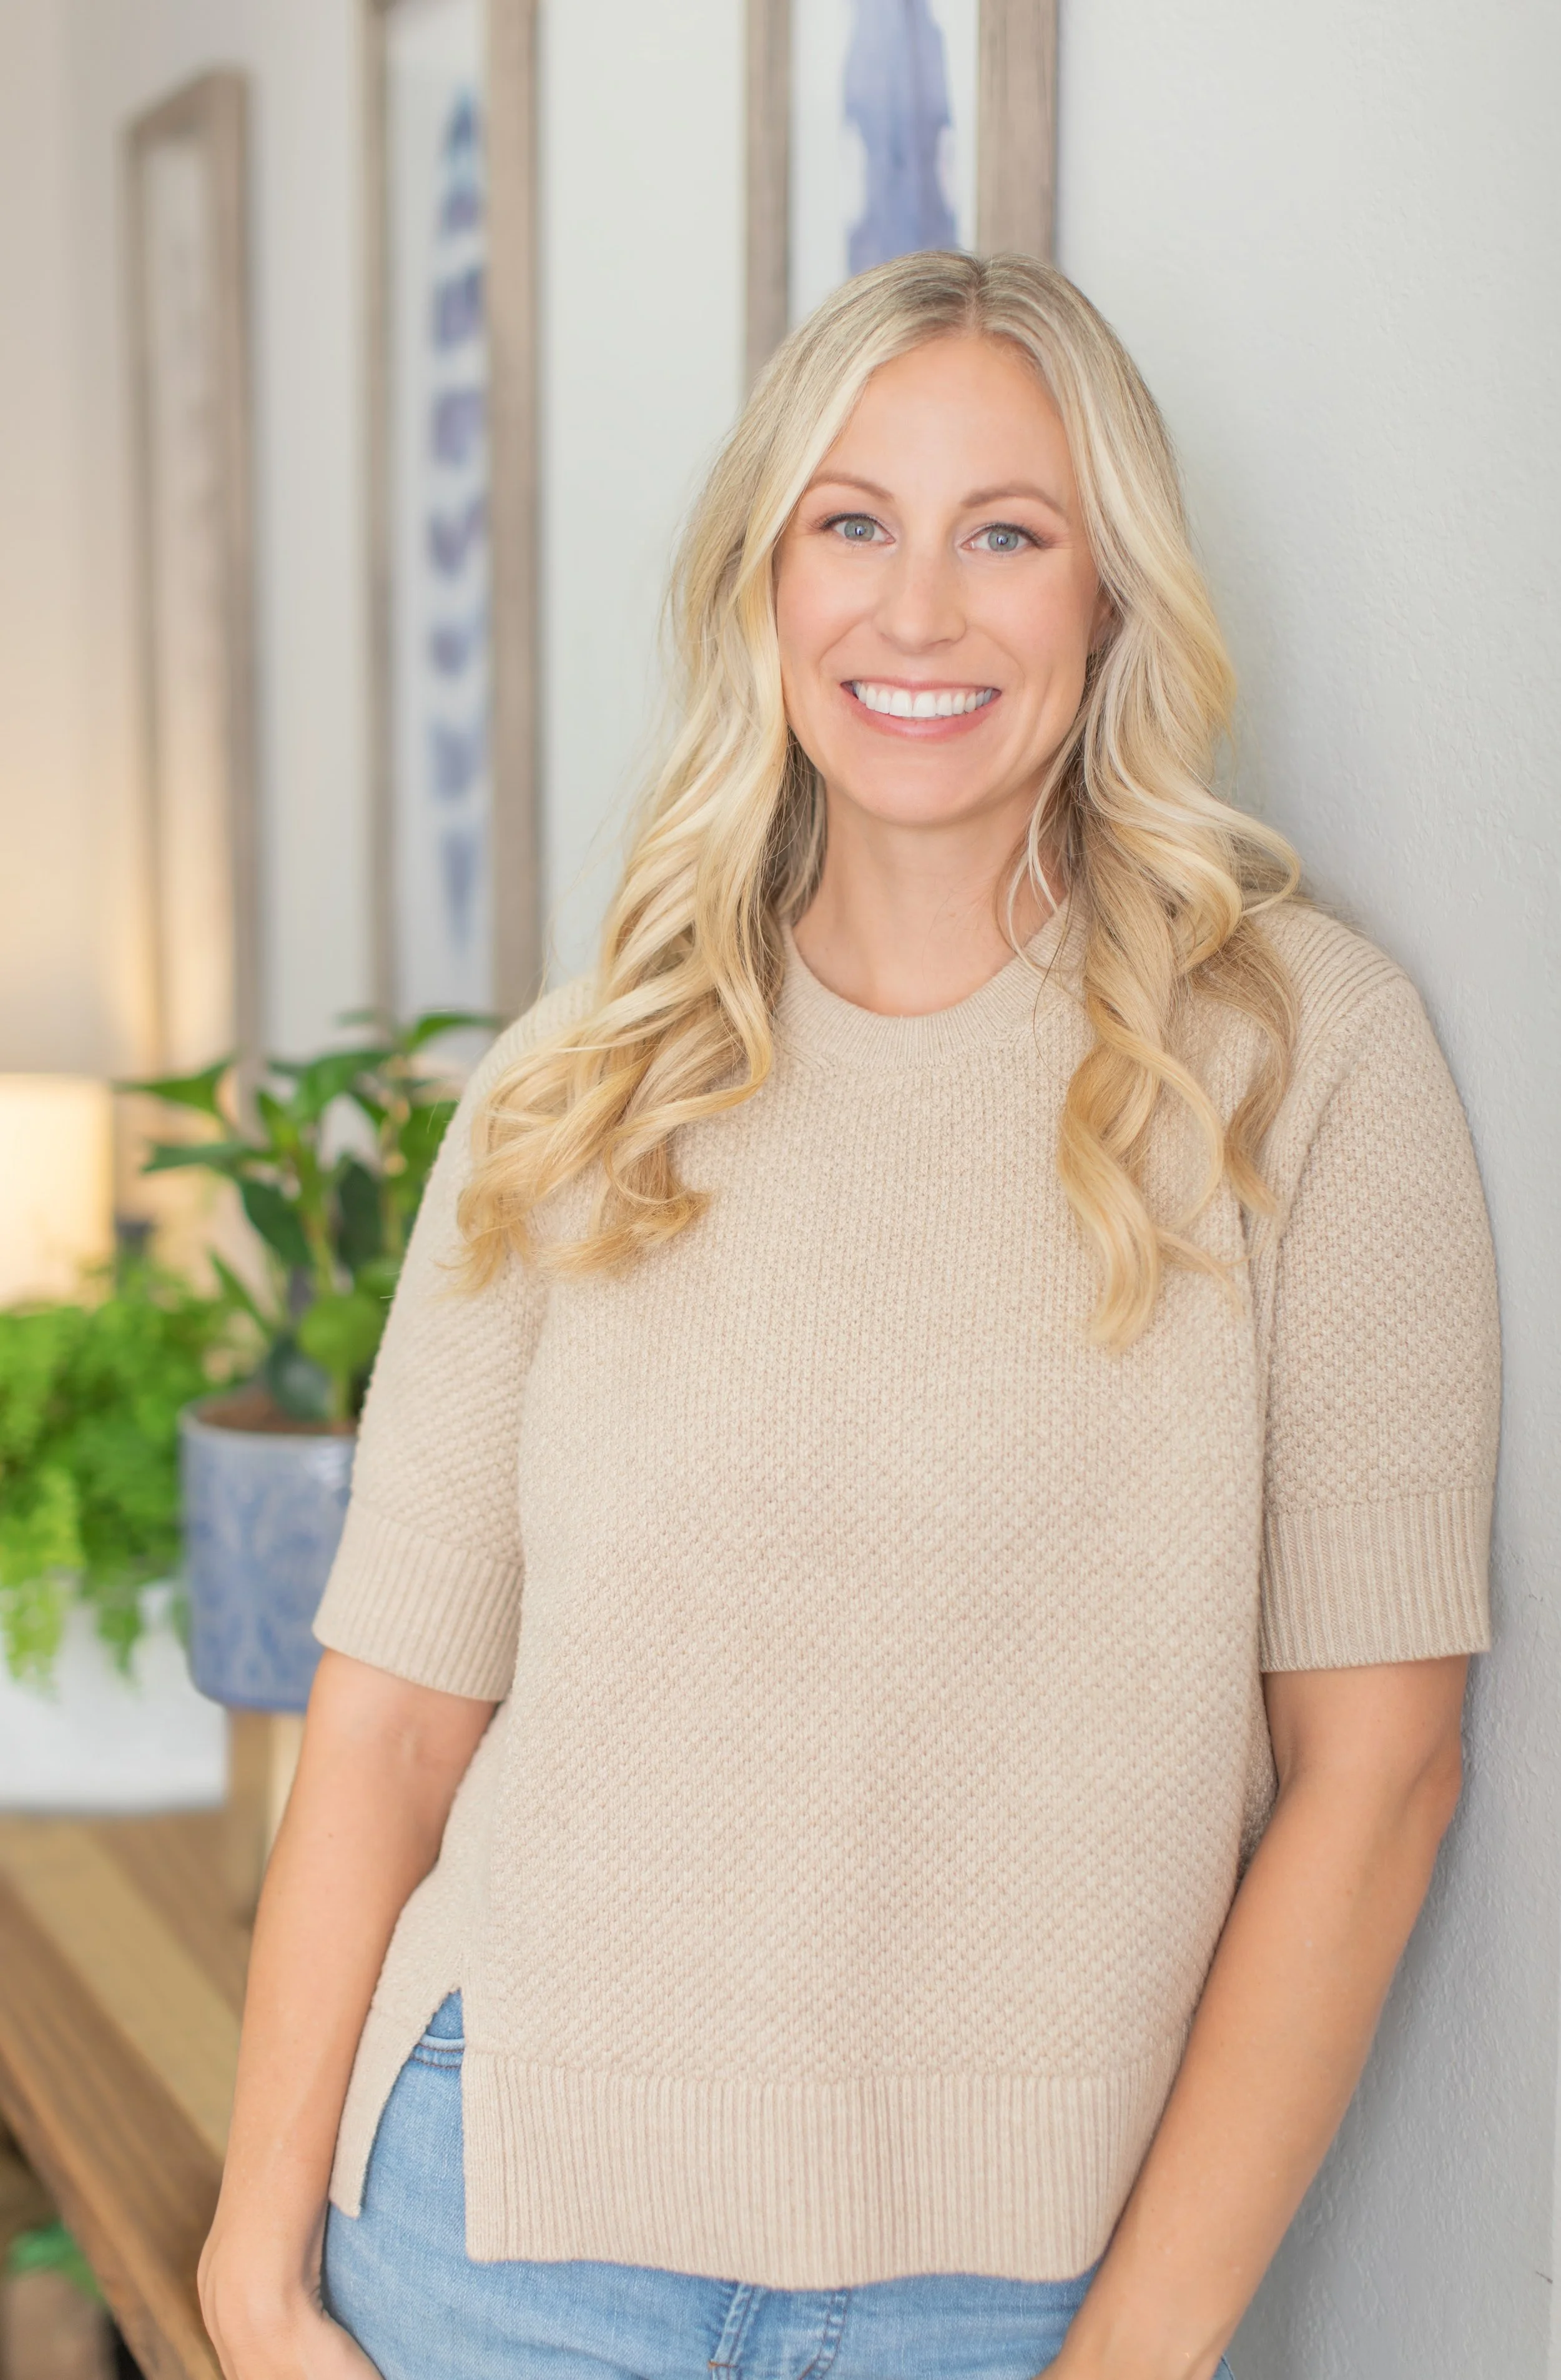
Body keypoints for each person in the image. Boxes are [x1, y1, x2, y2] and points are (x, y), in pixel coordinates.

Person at [198, 252, 1500, 2380]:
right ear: (764, 585)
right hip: (485, 2241)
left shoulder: (1300, 1065)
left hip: (1013, 2303)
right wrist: (254, 2279)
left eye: (1007, 534)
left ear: (1109, 598)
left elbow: (1379, 1776)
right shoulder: (577, 1087)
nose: (917, 613)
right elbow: (394, 1722)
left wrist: (1125, 2362)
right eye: (850, 526)